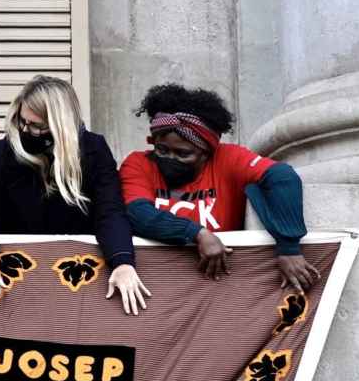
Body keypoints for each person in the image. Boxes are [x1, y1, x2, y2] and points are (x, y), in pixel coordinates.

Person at [0, 75, 150, 314]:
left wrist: (122, 262)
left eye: (37, 126)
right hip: (15, 279)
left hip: (77, 283)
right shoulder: (1, 153)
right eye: (23, 122)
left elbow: (110, 211)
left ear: (60, 126)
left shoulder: (94, 151)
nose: (26, 131)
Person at [119, 84, 318, 290]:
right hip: (158, 279)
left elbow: (282, 177)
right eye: (162, 149)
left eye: (183, 153)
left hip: (221, 283)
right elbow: (137, 213)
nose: (170, 158)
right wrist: (198, 233)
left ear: (207, 152)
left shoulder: (228, 158)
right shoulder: (139, 163)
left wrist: (288, 248)